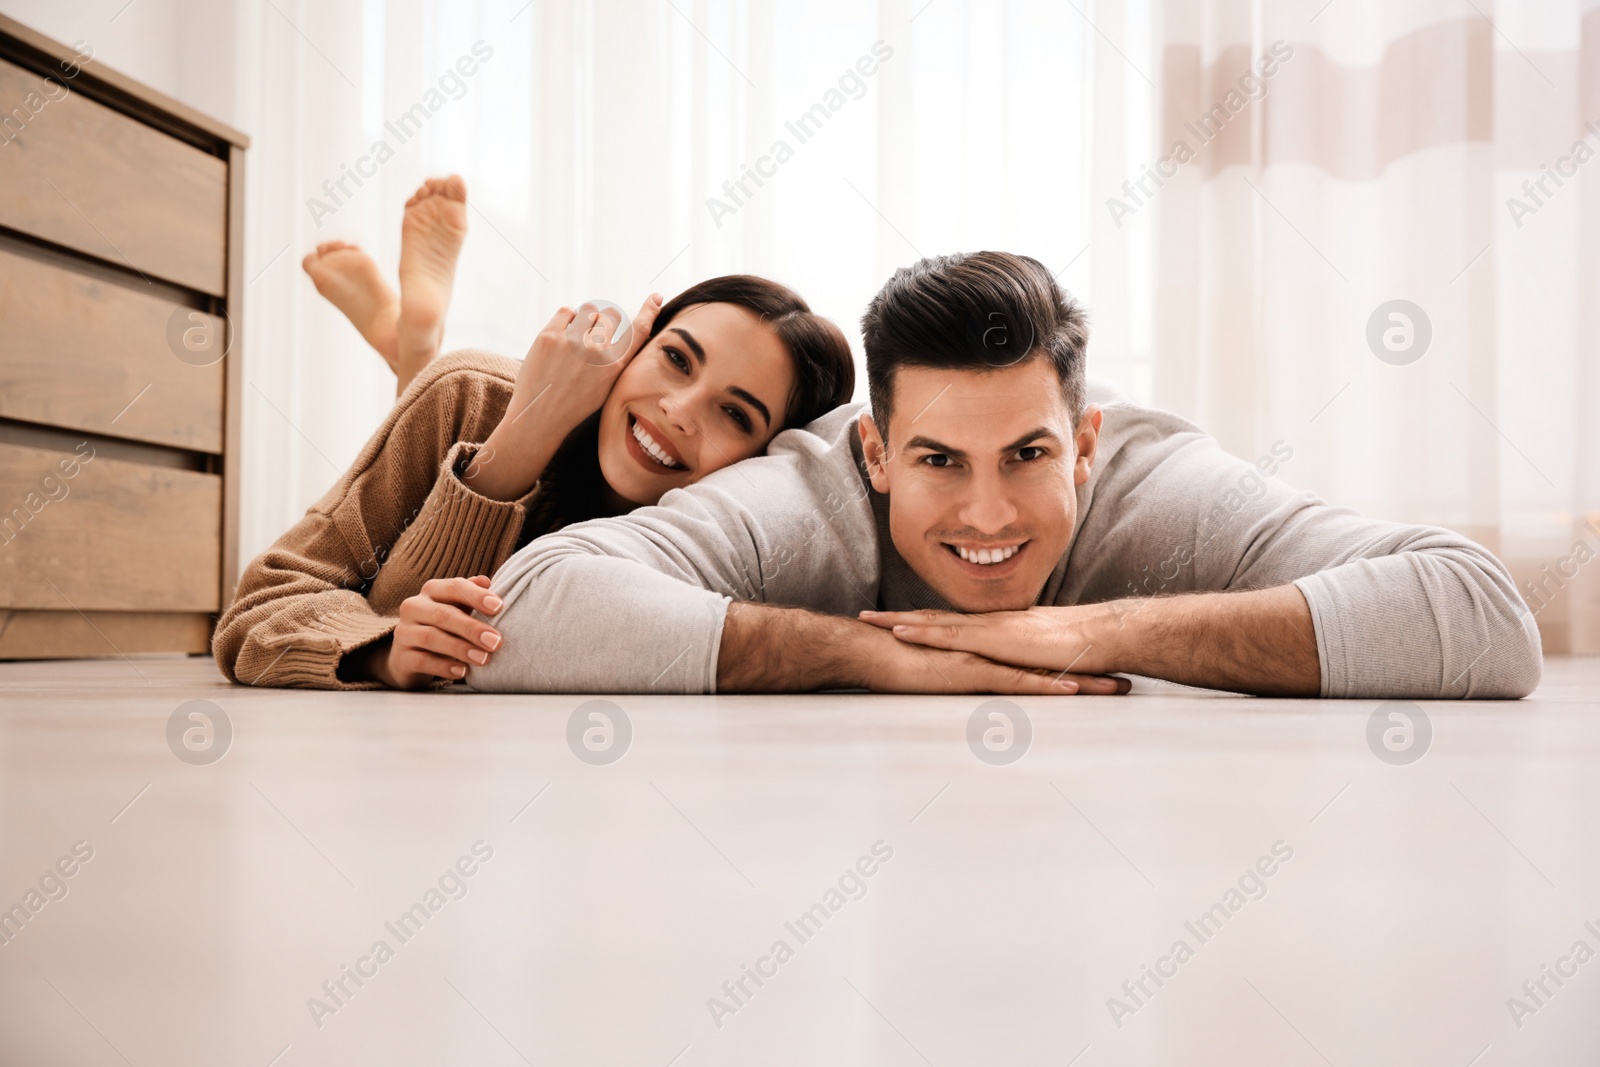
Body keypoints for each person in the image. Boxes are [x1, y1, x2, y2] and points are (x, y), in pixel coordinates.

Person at [468, 251, 1543, 699]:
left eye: (1027, 455)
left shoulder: (1159, 488)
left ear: (1082, 444)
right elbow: (531, 601)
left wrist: (1090, 632)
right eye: (937, 459)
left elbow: (1482, 613)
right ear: (876, 453)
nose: (988, 511)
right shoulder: (806, 495)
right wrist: (878, 660)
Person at [213, 179, 855, 690]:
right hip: (480, 401)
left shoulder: (744, 537)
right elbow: (256, 614)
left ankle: (406, 340)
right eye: (676, 358)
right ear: (637, 339)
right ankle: (416, 348)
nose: (679, 410)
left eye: (736, 414)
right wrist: (380, 654)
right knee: (444, 393)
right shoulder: (470, 396)